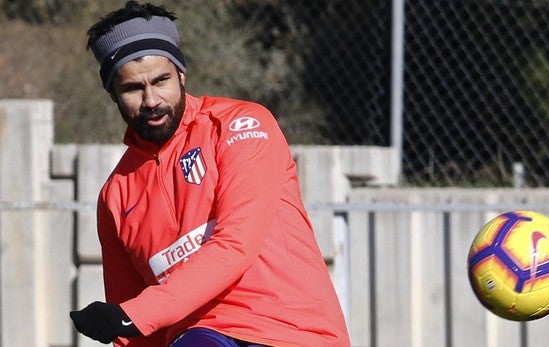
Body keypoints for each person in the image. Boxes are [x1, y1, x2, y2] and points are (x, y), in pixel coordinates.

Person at [69, 2, 350, 346]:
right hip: (197, 337)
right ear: (112, 93)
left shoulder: (241, 125)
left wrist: (134, 315)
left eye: (162, 80)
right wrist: (131, 318)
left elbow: (235, 244)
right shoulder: (115, 196)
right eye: (132, 89)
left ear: (182, 75)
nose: (151, 99)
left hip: (288, 331)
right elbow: (137, 335)